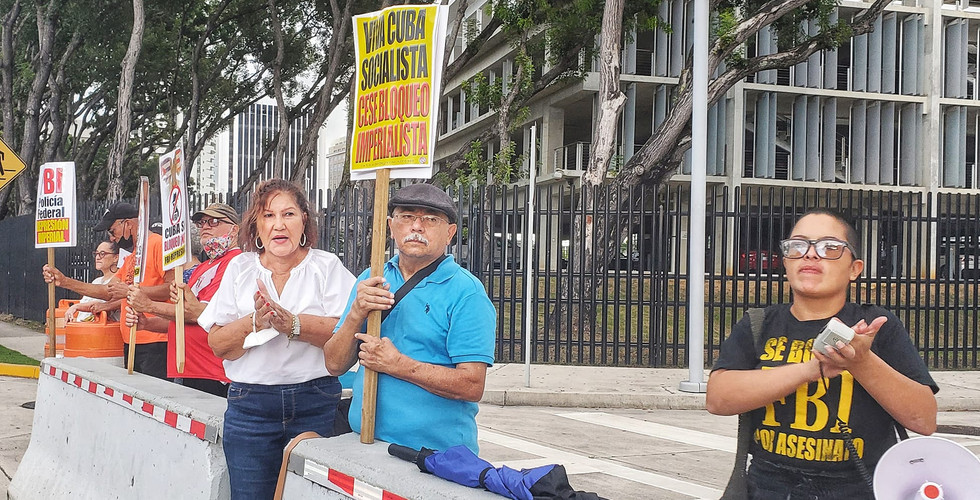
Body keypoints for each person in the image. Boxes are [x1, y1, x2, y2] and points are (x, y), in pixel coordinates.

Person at [706, 209, 938, 499]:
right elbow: (718, 398)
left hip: (857, 487)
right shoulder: (759, 324)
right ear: (786, 262)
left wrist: (861, 362)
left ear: (855, 268)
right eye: (797, 246)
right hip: (769, 486)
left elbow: (923, 420)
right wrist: (813, 368)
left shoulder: (875, 326)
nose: (810, 254)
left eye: (829, 247)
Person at [196, 180, 355, 499]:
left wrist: (293, 324)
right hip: (250, 406)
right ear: (256, 225)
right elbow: (219, 345)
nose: (279, 224)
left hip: (315, 400)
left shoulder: (326, 267)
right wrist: (255, 322)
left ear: (304, 220)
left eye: (288, 214)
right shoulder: (240, 268)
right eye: (268, 215)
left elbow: (346, 332)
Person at [324, 183, 496, 454]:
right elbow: (334, 364)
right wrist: (356, 313)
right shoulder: (372, 279)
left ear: (450, 233)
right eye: (407, 217)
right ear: (391, 227)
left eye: (430, 219)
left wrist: (398, 365)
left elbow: (472, 385)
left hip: (433, 456)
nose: (417, 226)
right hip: (365, 444)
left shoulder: (466, 292)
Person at [43, 201, 173, 378]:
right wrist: (65, 281)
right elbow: (108, 291)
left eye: (112, 231)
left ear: (127, 224)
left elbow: (171, 288)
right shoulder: (133, 255)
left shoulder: (157, 244)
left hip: (156, 341)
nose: (112, 238)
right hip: (133, 340)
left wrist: (130, 291)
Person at [124, 203, 242, 397]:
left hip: (212, 370)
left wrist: (149, 305)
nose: (205, 227)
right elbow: (180, 318)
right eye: (201, 222)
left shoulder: (235, 262)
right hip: (188, 368)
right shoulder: (203, 267)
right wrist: (147, 323)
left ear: (234, 229)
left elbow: (199, 313)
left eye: (214, 221)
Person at [64, 240, 121, 323]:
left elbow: (104, 303)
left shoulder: (119, 280)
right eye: (96, 254)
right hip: (84, 327)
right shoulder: (96, 281)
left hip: (104, 329)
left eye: (102, 254)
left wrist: (76, 306)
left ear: (116, 258)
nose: (97, 257)